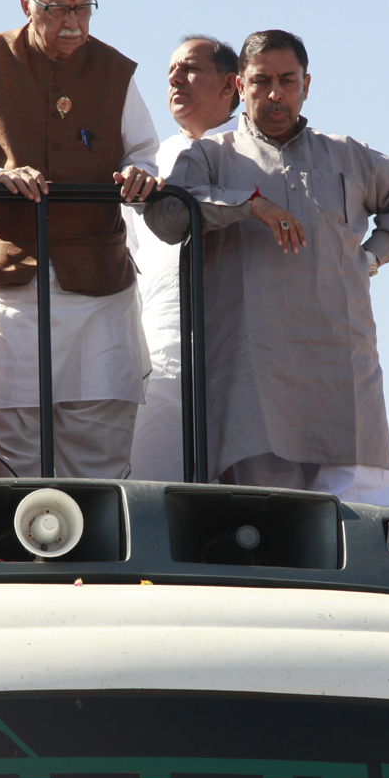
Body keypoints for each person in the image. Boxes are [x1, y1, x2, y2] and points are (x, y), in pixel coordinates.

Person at [145, 30, 389, 506]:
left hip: (343, 373)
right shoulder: (211, 157)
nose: (275, 94)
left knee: (356, 540)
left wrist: (370, 256)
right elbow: (169, 215)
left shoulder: (348, 156)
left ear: (307, 85)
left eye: (287, 81)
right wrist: (246, 204)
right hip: (253, 381)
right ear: (240, 86)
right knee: (268, 540)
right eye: (261, 82)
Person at [0, 0, 160, 479]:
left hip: (97, 289)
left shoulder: (115, 70)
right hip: (5, 285)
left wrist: (138, 174)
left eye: (82, 10)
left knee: (98, 455)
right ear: (26, 5)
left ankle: (96, 565)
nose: (71, 24)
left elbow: (144, 152)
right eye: (56, 9)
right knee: (10, 456)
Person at [125, 36, 241, 482]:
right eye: (171, 70)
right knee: (155, 479)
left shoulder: (254, 155)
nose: (174, 78)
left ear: (230, 85)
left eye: (190, 69)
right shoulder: (147, 163)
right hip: (162, 342)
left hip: (241, 342)